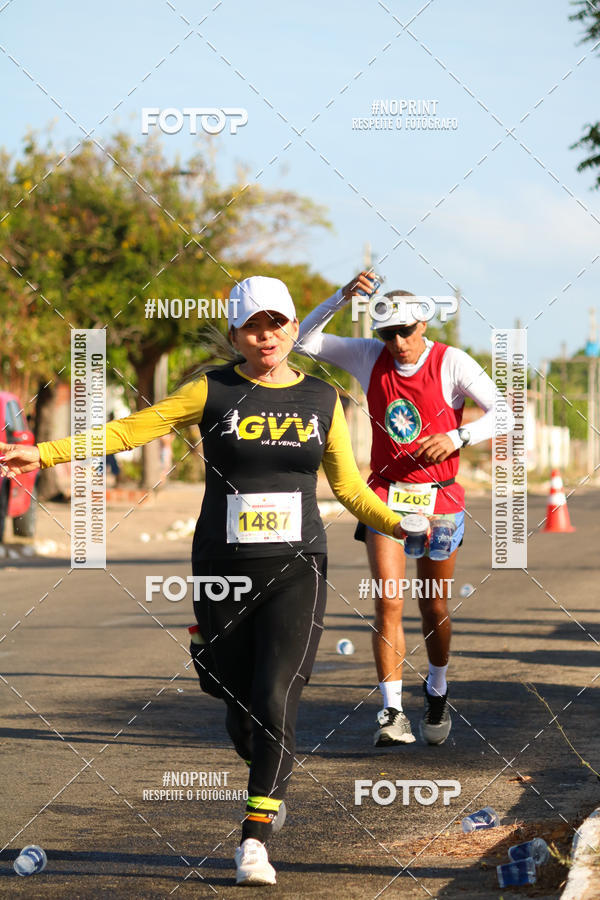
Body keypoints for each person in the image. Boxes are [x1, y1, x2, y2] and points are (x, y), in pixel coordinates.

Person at [0, 275, 408, 887]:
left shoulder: (325, 399)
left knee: (276, 699)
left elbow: (348, 487)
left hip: (298, 566)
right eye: (252, 325)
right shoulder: (210, 391)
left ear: (294, 328)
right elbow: (128, 431)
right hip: (222, 567)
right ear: (236, 334)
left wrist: (400, 523)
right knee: (233, 696)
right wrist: (47, 454)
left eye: (276, 323)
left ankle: (254, 840)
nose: (265, 335)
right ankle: (236, 711)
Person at [297, 272, 512, 749]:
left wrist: (458, 437)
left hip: (441, 499)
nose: (395, 343)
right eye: (386, 334)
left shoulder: (451, 361)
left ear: (422, 325)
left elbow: (507, 412)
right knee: (388, 600)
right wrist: (341, 297)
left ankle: (436, 690)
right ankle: (391, 712)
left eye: (403, 332)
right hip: (386, 496)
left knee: (433, 604)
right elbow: (302, 341)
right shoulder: (368, 357)